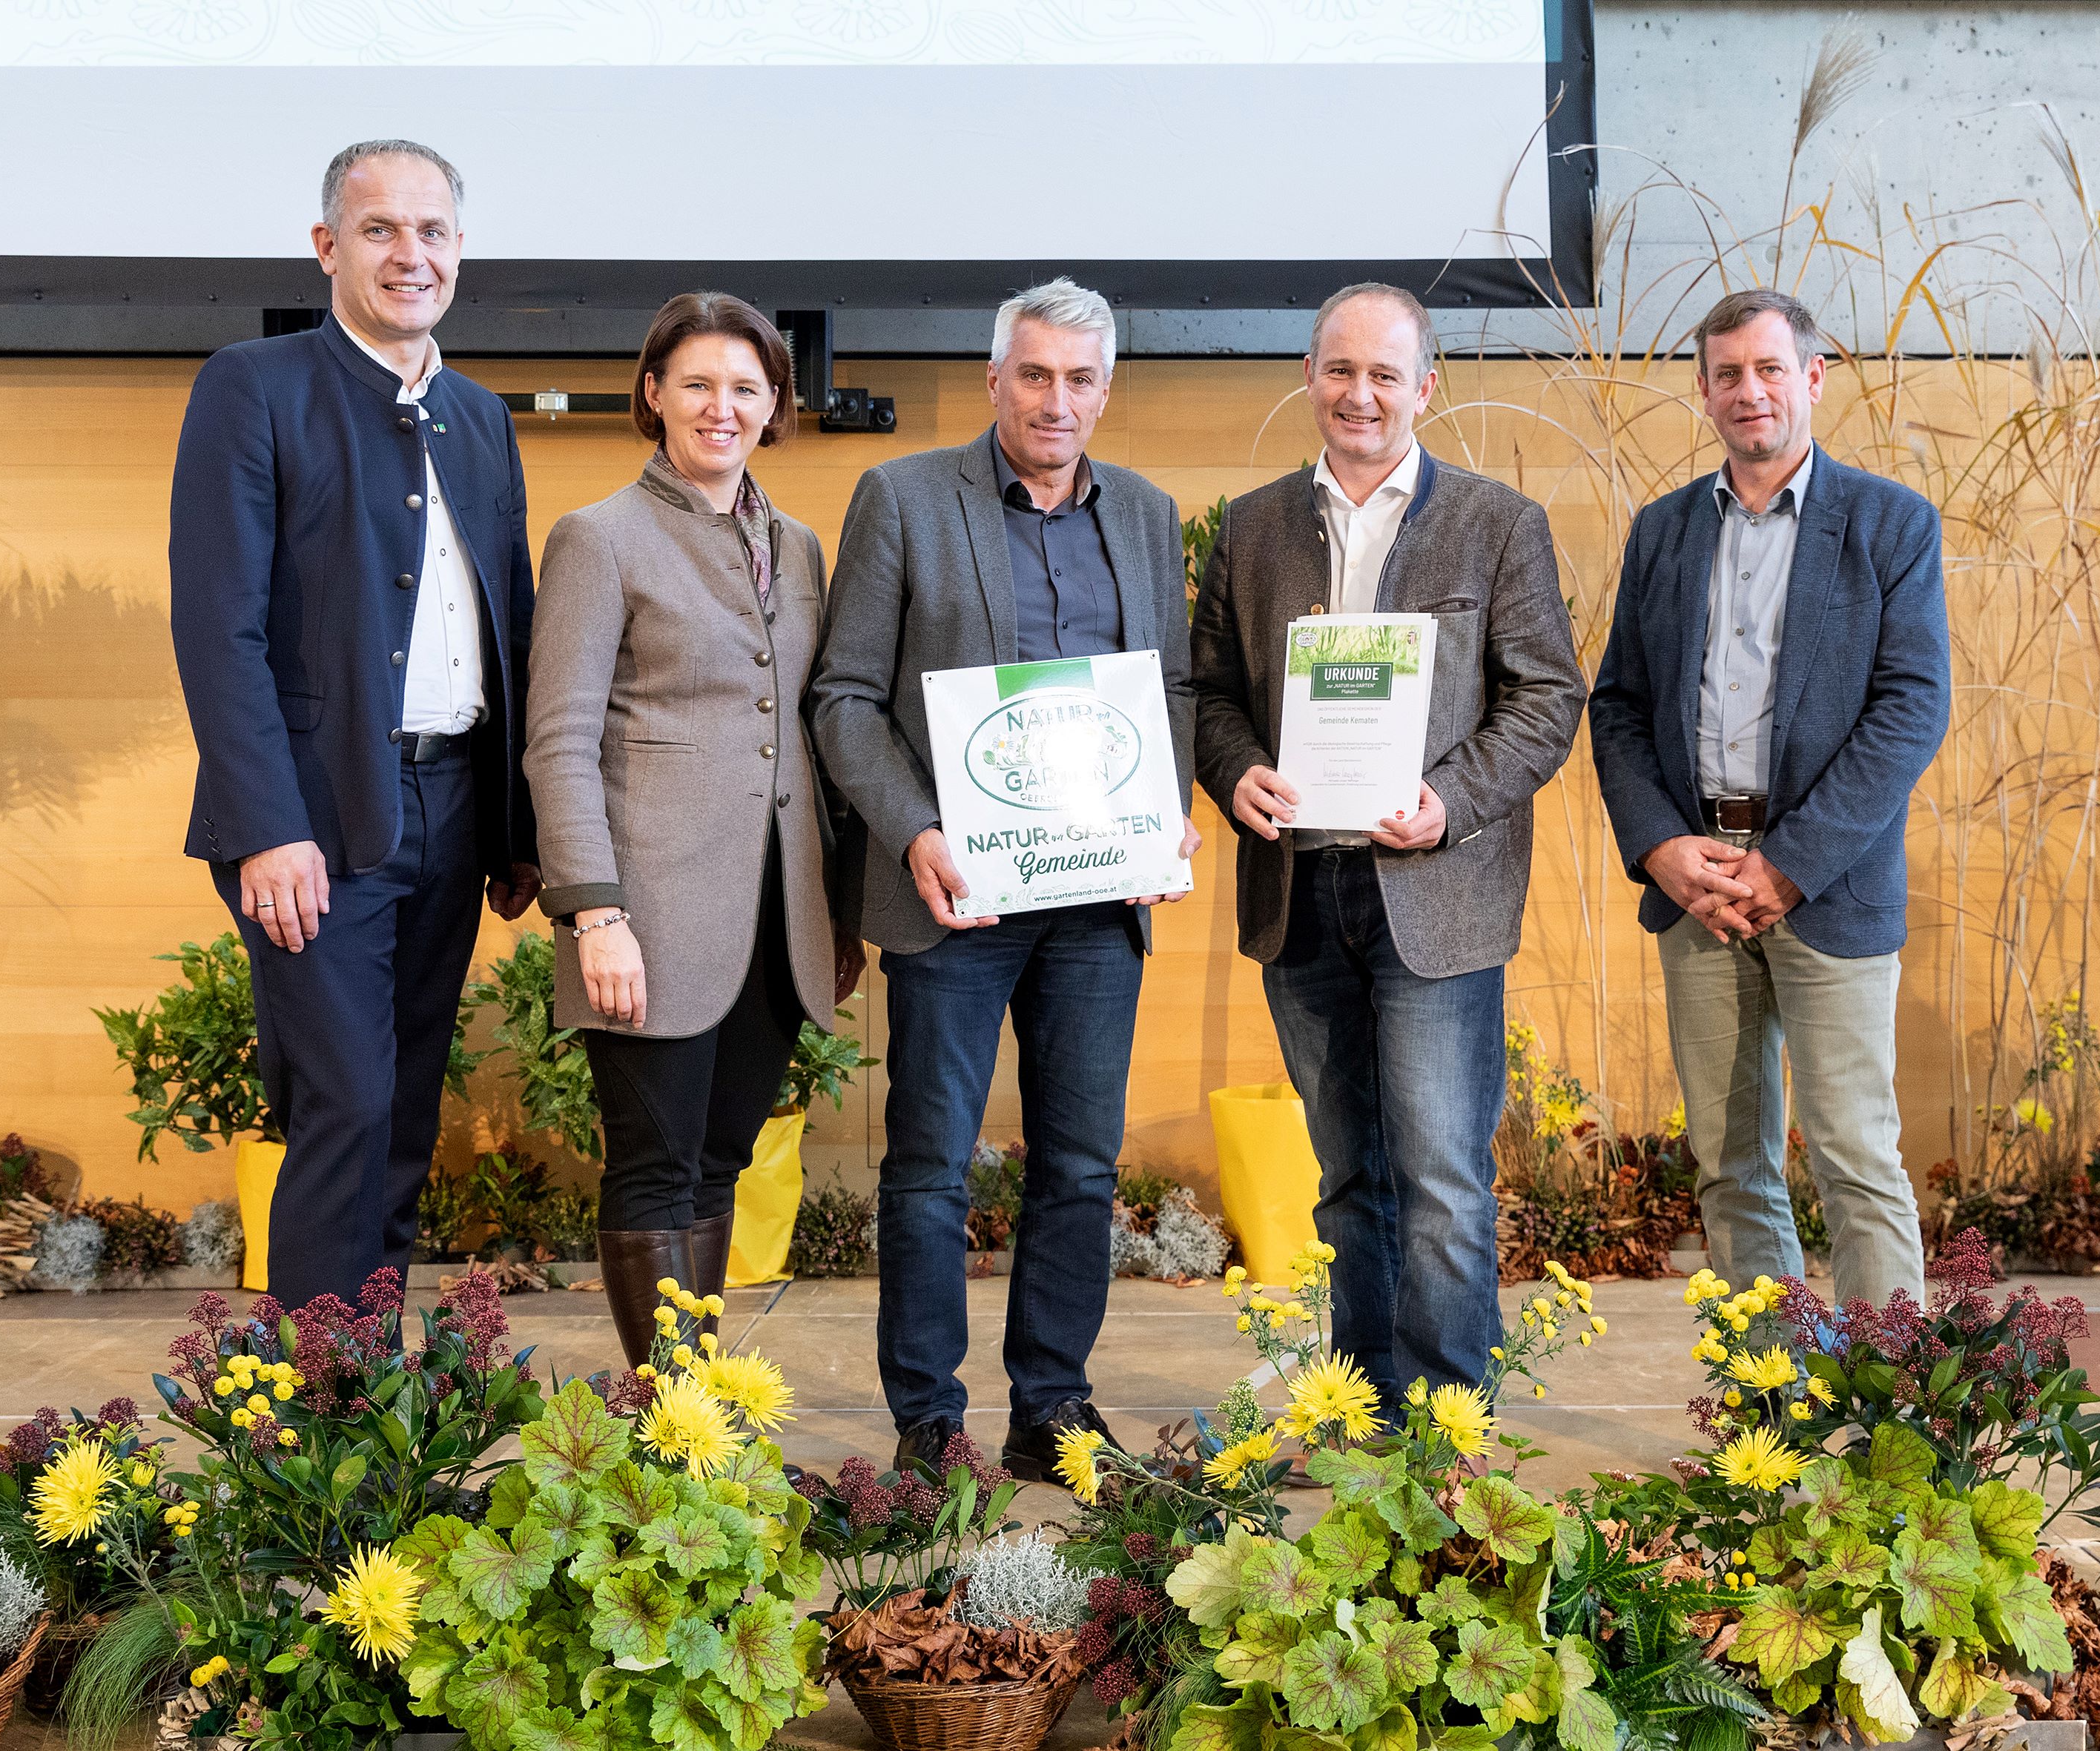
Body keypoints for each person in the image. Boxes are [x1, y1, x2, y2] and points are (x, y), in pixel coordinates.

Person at [808, 277, 1198, 1477]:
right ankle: (929, 1417)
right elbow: (844, 700)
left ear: (1106, 389)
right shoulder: (904, 499)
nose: (1057, 400)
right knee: (930, 1164)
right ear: (994, 380)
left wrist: (1165, 813)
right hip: (958, 896)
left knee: (1079, 1163)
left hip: (1094, 902)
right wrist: (919, 831)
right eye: (1035, 375)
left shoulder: (1143, 511)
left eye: (1081, 379)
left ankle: (1053, 1408)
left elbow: (1169, 694)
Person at [1189, 283, 1585, 1408]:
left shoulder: (1499, 523)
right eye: (1338, 370)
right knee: (1347, 1176)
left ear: (1425, 387)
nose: (1359, 394)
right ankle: (1365, 1415)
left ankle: (1452, 1435)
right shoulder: (1254, 525)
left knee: (1445, 1181)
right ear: (1309, 378)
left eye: (1383, 374)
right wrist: (1232, 770)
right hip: (1299, 895)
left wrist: (1452, 800)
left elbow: (1548, 696)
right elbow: (1210, 690)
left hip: (1435, 892)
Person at [168, 139, 539, 1307]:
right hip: (315, 821)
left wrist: (518, 829)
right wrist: (265, 828)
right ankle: (308, 1427)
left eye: (432, 232)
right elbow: (216, 629)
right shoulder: (252, 385)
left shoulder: (481, 418)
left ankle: (365, 1404)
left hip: (455, 809)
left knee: (408, 1109)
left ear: (461, 251)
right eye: (380, 230)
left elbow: (510, 621)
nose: (409, 255)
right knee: (346, 1104)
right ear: (327, 246)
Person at [1588, 286, 1949, 1307]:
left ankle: (1894, 1426)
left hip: (1826, 889)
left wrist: (1787, 864)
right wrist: (1663, 848)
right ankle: (1771, 1418)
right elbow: (1616, 705)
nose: (1751, 391)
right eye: (1728, 374)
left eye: (1771, 369)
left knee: (1854, 1160)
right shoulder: (1661, 532)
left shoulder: (1890, 526)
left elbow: (1912, 710)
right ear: (1704, 393)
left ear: (1814, 379)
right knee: (1730, 1165)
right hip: (1696, 886)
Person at [523, 291, 861, 1364]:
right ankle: (670, 1426)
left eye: (746, 388)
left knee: (718, 1164)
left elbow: (807, 732)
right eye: (700, 383)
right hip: (648, 915)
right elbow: (557, 739)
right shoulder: (599, 538)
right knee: (656, 1167)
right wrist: (594, 912)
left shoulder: (799, 545)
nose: (723, 407)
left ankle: (694, 1410)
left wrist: (838, 916)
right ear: (654, 394)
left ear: (775, 407)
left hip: (775, 919)